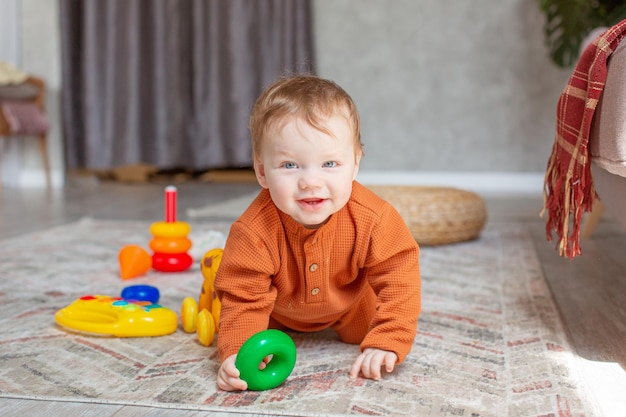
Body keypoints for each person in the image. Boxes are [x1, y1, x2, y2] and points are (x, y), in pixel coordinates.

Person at [214, 74, 421, 391]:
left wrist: (390, 339)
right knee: (238, 317)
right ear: (261, 171)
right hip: (276, 313)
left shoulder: (374, 218)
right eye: (290, 166)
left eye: (329, 164)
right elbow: (244, 299)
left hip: (352, 307)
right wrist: (237, 354)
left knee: (372, 325)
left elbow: (400, 277)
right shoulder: (252, 231)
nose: (311, 181)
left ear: (354, 165)